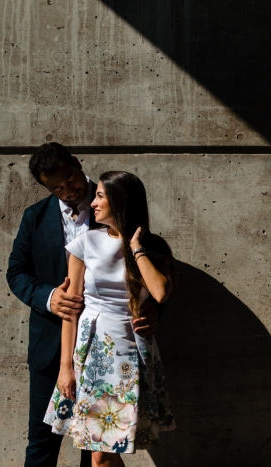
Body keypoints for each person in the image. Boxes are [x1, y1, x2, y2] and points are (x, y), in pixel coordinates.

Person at [6, 143, 161, 467]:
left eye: (70, 179)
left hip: (112, 350)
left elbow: (148, 274)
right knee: (42, 441)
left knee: (95, 448)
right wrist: (49, 297)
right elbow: (16, 272)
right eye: (57, 188)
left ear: (77, 163)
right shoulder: (34, 217)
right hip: (53, 348)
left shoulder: (114, 199)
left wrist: (152, 310)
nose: (68, 190)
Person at [43, 171, 176, 465]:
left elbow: (159, 292)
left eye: (100, 195)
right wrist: (65, 368)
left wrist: (137, 247)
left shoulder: (152, 247)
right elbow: (71, 308)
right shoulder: (85, 243)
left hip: (131, 354)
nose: (93, 202)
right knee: (101, 451)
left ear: (120, 201)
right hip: (93, 354)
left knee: (106, 450)